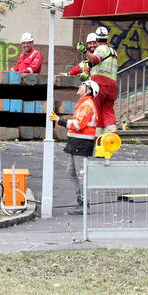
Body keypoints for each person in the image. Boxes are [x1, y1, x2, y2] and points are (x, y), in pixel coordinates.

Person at [50, 79, 99, 214]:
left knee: (80, 174)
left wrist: (59, 120)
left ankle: (84, 205)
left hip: (82, 144)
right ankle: (81, 202)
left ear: (88, 90)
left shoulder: (87, 105)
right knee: (71, 173)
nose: (79, 86)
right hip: (77, 143)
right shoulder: (82, 104)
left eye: (82, 85)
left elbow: (78, 125)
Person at [85, 26, 118, 133]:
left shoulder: (100, 49)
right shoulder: (113, 51)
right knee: (108, 110)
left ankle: (97, 136)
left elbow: (95, 59)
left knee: (96, 108)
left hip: (100, 83)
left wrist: (84, 51)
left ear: (97, 39)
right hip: (112, 85)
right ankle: (110, 136)